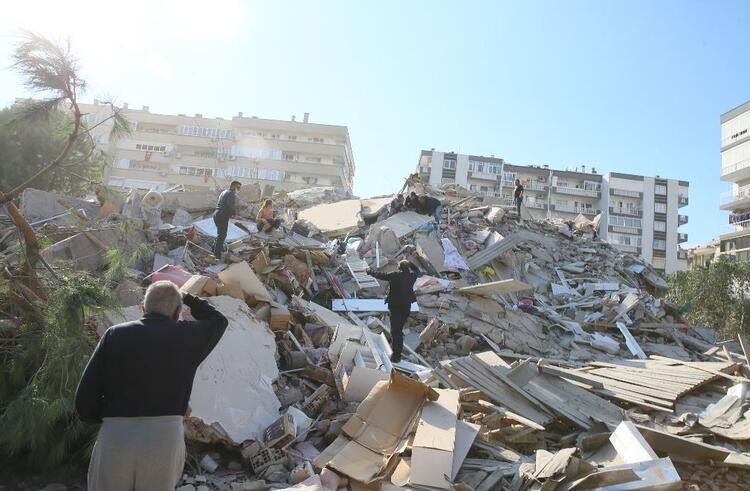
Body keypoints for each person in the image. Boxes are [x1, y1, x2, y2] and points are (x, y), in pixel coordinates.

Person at [75, 281, 228, 490]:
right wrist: (188, 297)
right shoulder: (188, 336)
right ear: (176, 313)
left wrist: (111, 419)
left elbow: (84, 400)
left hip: (116, 435)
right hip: (164, 437)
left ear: (143, 308)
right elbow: (218, 320)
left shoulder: (114, 335)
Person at [366, 260, 420, 363]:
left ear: (399, 268)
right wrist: (410, 263)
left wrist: (369, 271)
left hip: (395, 307)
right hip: (406, 307)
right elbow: (417, 270)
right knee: (398, 330)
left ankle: (396, 356)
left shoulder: (395, 275)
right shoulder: (412, 275)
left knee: (396, 332)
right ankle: (396, 347)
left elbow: (381, 275)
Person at [213, 180, 242, 258]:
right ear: (233, 186)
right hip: (222, 215)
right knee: (222, 235)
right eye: (238, 187)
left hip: (217, 213)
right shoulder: (231, 193)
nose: (238, 190)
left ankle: (216, 249)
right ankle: (217, 254)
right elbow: (230, 206)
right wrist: (234, 214)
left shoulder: (224, 192)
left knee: (220, 234)